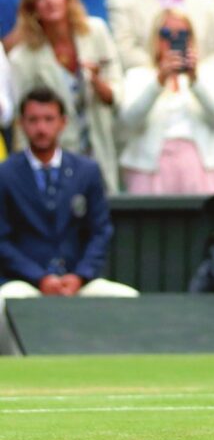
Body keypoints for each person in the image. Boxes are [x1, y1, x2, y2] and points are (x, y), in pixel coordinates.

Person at [0, 89, 137, 318]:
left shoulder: (87, 171)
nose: (41, 128)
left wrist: (79, 276)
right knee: (3, 304)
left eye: (48, 119)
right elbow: (2, 241)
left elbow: (100, 231)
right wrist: (40, 277)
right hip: (24, 283)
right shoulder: (5, 174)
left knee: (129, 300)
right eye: (33, 120)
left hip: (78, 282)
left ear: (63, 122)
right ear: (21, 124)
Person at [8, 0, 123, 193]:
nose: (49, 0)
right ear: (32, 8)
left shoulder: (96, 31)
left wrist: (98, 83)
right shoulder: (22, 58)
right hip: (55, 160)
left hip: (100, 147)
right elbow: (23, 122)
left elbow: (118, 93)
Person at [119, 8, 214, 194]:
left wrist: (195, 80)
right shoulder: (138, 75)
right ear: (155, 38)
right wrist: (159, 80)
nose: (172, 39)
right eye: (165, 33)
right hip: (149, 167)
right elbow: (130, 120)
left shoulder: (210, 73)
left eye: (182, 33)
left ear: (192, 38)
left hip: (202, 166)